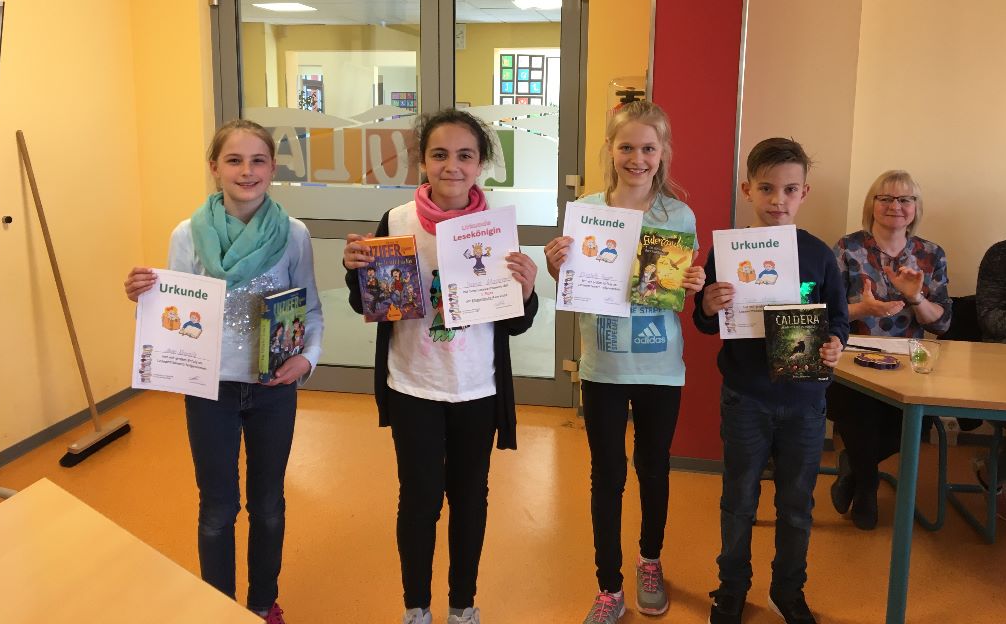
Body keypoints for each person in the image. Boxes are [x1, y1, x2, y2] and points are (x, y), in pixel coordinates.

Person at [342, 108, 538, 624]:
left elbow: (516, 324)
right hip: (414, 385)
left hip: (477, 388)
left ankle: (462, 606)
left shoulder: (494, 229)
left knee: (470, 501)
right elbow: (368, 303)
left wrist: (526, 291)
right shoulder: (397, 221)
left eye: (465, 155)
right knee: (420, 500)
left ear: (481, 164)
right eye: (440, 154)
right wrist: (355, 271)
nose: (452, 166)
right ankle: (416, 608)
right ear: (423, 161)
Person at [124, 120, 323, 624]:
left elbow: (311, 309)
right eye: (234, 160)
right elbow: (172, 314)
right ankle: (215, 607)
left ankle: (262, 603)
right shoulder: (187, 235)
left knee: (268, 504)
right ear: (214, 167)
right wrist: (144, 300)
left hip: (273, 387)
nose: (246, 171)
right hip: (208, 388)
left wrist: (307, 358)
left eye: (258, 160)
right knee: (217, 507)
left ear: (272, 168)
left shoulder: (293, 234)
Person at [544, 100, 705, 624]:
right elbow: (573, 285)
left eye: (648, 148)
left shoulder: (677, 216)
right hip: (603, 366)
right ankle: (608, 586)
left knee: (653, 468)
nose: (638, 158)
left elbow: (676, 288)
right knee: (607, 474)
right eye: (627, 147)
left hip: (661, 366)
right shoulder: (587, 211)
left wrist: (695, 281)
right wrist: (557, 268)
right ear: (610, 150)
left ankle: (649, 561)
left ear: (663, 153)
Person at [693, 138, 848, 624]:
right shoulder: (727, 252)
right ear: (748, 190)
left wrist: (836, 343)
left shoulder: (819, 255)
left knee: (797, 505)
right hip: (747, 398)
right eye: (766, 188)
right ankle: (732, 587)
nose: (778, 199)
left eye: (789, 189)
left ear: (804, 193)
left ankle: (788, 591)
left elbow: (839, 318)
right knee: (738, 499)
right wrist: (707, 305)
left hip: (804, 400)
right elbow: (705, 322)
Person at [827, 170, 951, 530]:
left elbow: (942, 323)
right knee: (858, 410)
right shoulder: (847, 248)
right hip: (851, 358)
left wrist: (915, 298)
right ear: (872, 204)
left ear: (915, 207)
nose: (895, 206)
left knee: (917, 423)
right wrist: (863, 309)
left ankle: (853, 469)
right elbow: (826, 312)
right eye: (885, 198)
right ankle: (867, 487)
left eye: (905, 199)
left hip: (908, 360)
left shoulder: (930, 254)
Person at [973, 240, 1006, 518]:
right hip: (1000, 365)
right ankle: (994, 471)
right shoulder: (1001, 255)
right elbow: (991, 319)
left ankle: (995, 470)